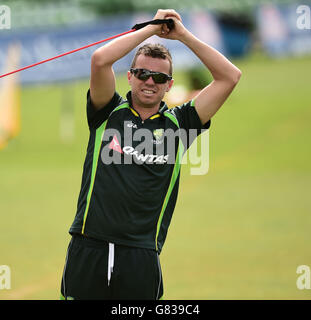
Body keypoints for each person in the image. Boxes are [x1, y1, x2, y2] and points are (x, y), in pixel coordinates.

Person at [60, 9, 241, 300]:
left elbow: (230, 77)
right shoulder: (107, 111)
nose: (150, 81)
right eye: (142, 73)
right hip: (88, 246)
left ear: (169, 85)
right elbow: (99, 60)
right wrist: (151, 28)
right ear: (130, 76)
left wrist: (182, 35)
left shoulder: (181, 124)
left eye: (159, 77)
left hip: (141, 254)